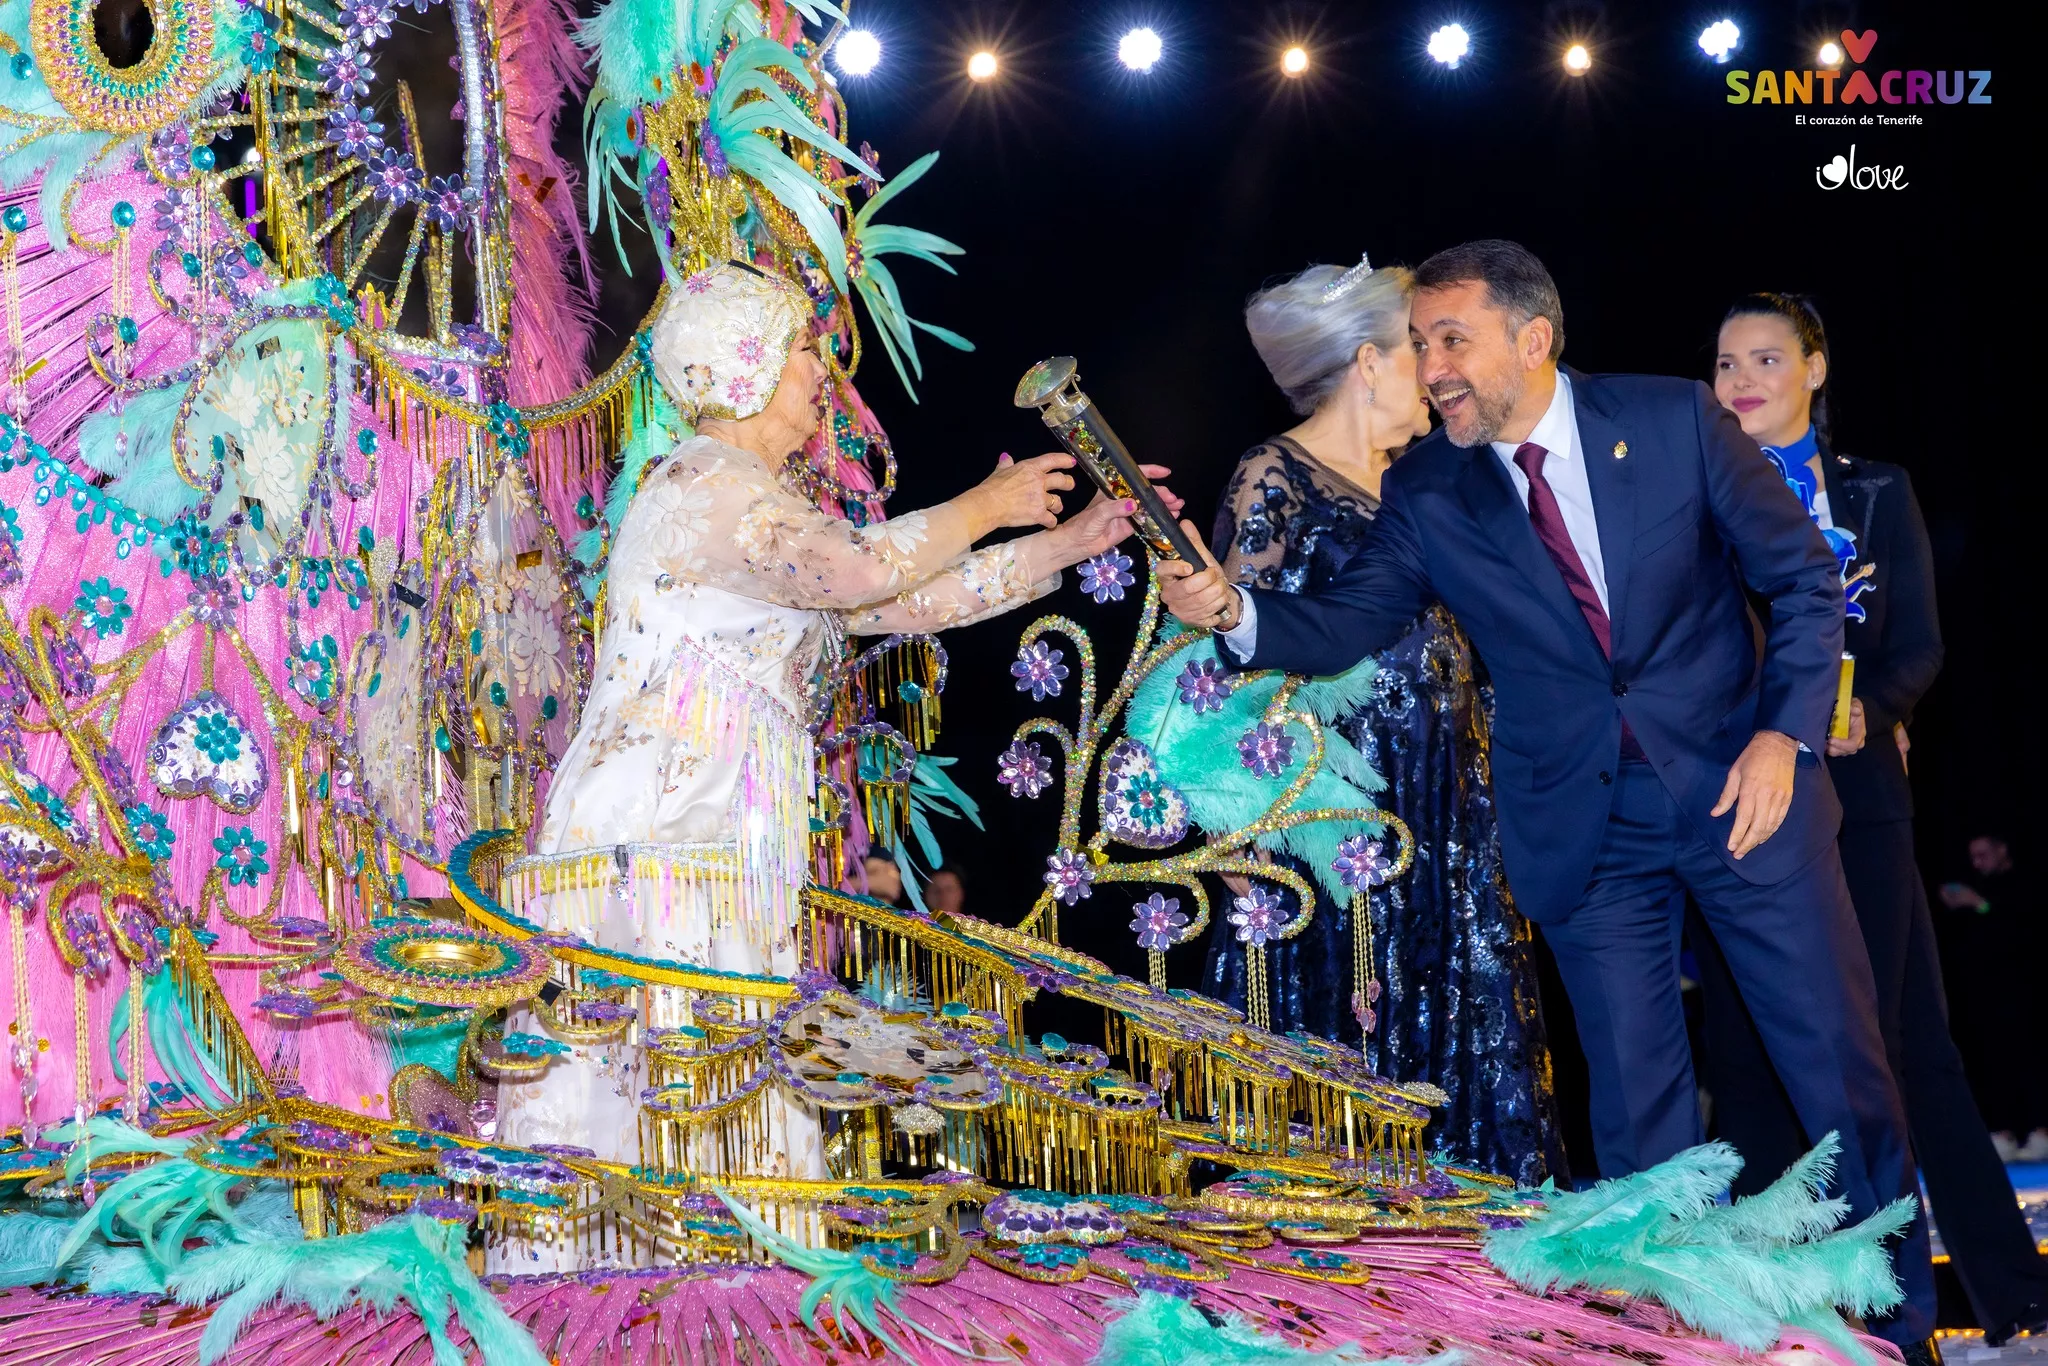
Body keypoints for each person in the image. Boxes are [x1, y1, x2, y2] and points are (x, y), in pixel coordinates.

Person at [1155, 240, 1935, 1358]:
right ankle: (1678, 1337)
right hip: (1585, 831)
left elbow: (1801, 580)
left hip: (1739, 793)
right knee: (1636, 1116)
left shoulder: (1672, 422)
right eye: (1420, 344)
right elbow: (1343, 619)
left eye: (1450, 339)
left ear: (1533, 338)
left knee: (1834, 1067)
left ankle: (1900, 1329)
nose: (1430, 368)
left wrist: (1782, 736)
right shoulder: (1430, 488)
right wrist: (1228, 607)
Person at [495, 263, 1171, 1268]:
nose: (822, 370)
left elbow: (903, 602)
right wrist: (987, 503)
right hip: (664, 836)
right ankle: (617, 1290)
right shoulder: (702, 484)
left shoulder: (759, 503)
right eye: (804, 349)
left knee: (717, 1057)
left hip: (721, 836)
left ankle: (713, 1286)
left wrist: (1069, 540)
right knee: (654, 1061)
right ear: (744, 366)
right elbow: (859, 568)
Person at [1691, 294, 2048, 1345]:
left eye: (1765, 357)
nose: (1742, 379)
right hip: (1739, 794)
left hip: (1860, 791)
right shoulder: (1693, 501)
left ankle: (2000, 1291)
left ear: (1813, 366)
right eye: (1723, 362)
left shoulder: (1876, 491)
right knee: (1750, 1043)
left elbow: (1919, 648)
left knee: (1901, 1043)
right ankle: (1770, 1294)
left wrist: (1869, 713)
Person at [1194, 257, 1568, 1185]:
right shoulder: (1272, 473)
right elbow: (1232, 672)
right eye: (1419, 347)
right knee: (1344, 1035)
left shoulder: (1432, 479)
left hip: (1445, 810)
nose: (1438, 370)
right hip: (1332, 830)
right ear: (1369, 362)